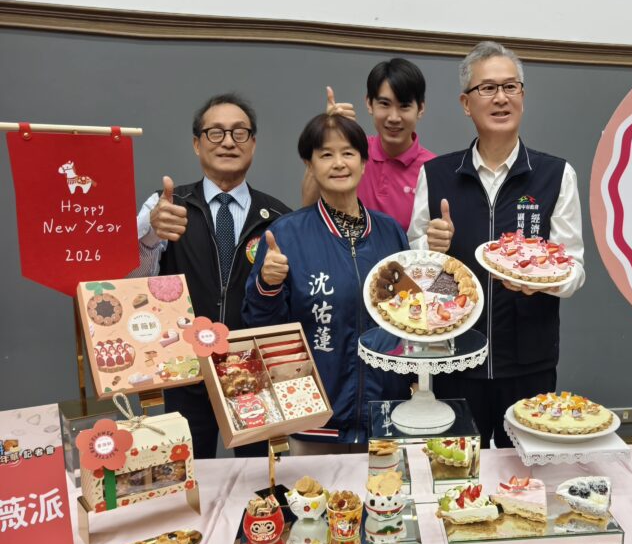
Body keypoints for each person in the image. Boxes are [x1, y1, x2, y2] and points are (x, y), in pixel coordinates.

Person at [407, 41, 585, 447]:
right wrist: (431, 250)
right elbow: (415, 269)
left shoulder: (555, 175)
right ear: (466, 103)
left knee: (525, 469)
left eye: (510, 86)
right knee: (454, 467)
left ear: (522, 95)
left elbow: (574, 270)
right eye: (487, 88)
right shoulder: (436, 174)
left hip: (529, 361)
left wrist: (540, 281)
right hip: (453, 356)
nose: (501, 97)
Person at [133, 93, 290, 459]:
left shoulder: (279, 217)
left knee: (260, 479)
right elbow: (133, 279)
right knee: (189, 474)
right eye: (215, 133)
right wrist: (151, 234)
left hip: (253, 373)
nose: (228, 142)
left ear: (253, 143)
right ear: (196, 143)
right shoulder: (165, 206)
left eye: (239, 132)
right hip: (185, 370)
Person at [243, 113, 408, 452]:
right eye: (326, 154)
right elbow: (261, 327)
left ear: (364, 161)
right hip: (314, 420)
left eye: (348, 153)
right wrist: (267, 284)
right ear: (310, 164)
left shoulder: (390, 232)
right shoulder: (286, 234)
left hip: (385, 416)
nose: (339, 163)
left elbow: (409, 317)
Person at [301, 58, 434, 229]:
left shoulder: (433, 170)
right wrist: (327, 135)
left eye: (404, 106)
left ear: (420, 109)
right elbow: (307, 209)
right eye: (384, 104)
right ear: (369, 103)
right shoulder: (351, 154)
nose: (394, 117)